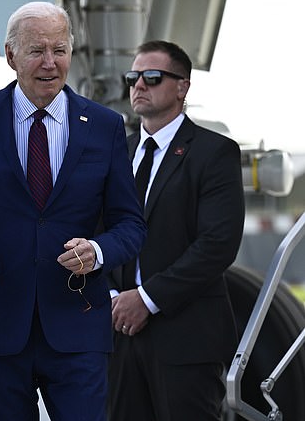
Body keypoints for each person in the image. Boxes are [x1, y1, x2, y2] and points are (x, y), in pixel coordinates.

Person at [0, 2, 146, 420]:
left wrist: (99, 251)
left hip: (78, 329)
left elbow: (130, 223)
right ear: (11, 55)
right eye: (36, 51)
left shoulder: (104, 126)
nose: (50, 63)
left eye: (60, 50)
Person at [107, 40, 245, 421]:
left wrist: (147, 299)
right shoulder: (116, 153)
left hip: (186, 341)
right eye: (133, 77)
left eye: (152, 77)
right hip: (117, 335)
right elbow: (97, 232)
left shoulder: (214, 153)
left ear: (182, 86)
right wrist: (114, 296)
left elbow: (217, 244)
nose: (139, 85)